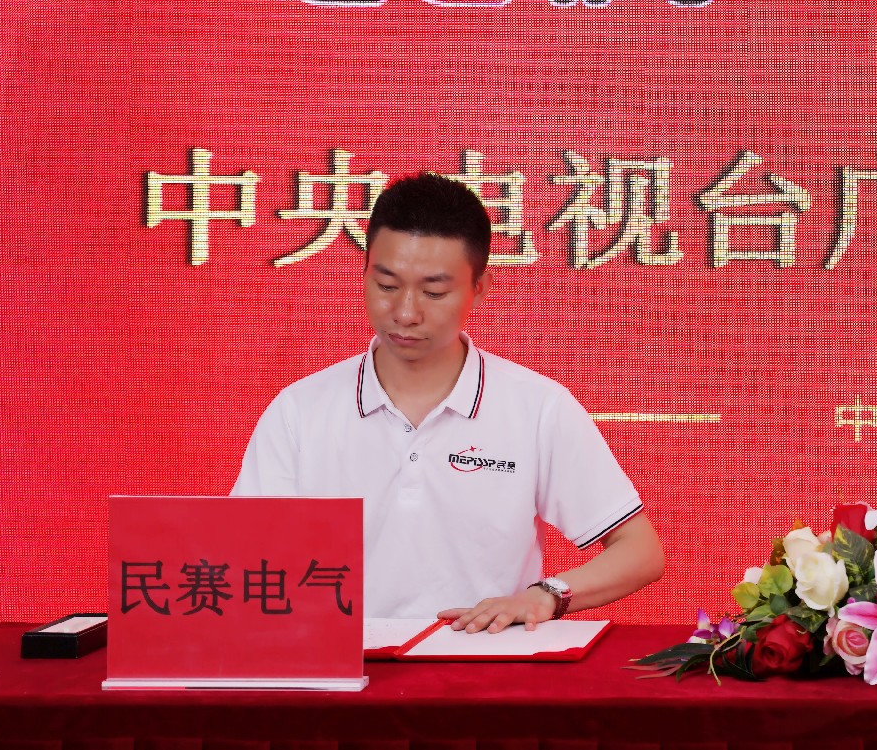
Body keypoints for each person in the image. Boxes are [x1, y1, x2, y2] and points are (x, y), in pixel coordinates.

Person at [234, 172, 663, 632]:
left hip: (486, 664)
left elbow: (640, 551)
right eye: (386, 285)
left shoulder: (537, 408)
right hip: (337, 662)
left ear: (480, 287)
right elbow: (244, 557)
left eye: (434, 292)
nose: (405, 312)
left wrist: (547, 595)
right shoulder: (300, 411)